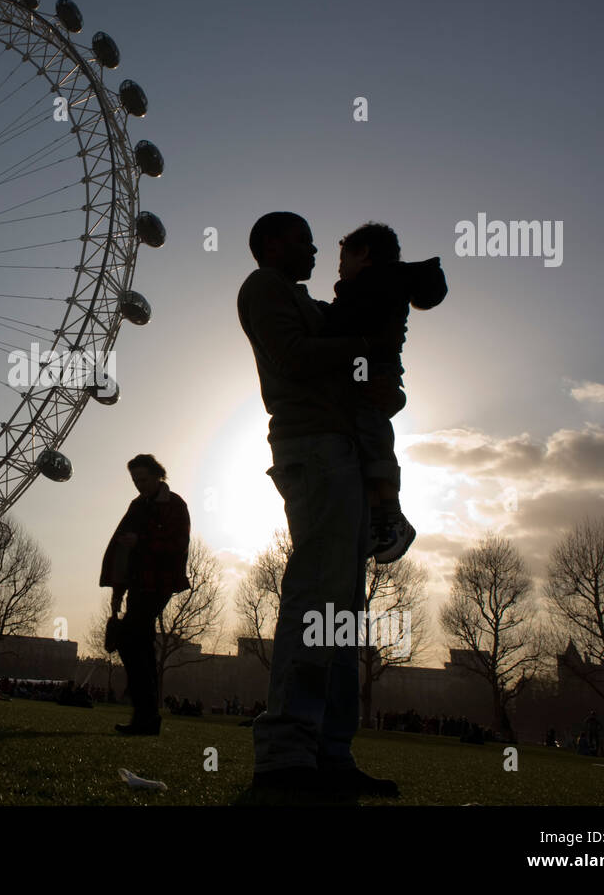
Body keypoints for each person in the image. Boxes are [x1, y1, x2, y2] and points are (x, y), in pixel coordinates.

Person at [238, 211, 403, 801]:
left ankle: (330, 753)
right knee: (316, 593)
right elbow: (295, 357)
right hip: (313, 448)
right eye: (306, 242)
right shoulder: (264, 289)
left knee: (341, 608)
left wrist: (385, 384)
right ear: (275, 245)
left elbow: (347, 368)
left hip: (341, 450)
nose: (315, 252)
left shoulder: (309, 302)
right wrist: (365, 346)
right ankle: (285, 757)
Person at [321, 223, 447, 561]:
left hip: (372, 372)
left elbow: (348, 323)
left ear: (363, 254)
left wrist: (320, 313)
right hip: (369, 374)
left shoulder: (375, 284)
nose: (339, 267)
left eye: (342, 259)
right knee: (366, 440)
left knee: (372, 436)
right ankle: (381, 519)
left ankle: (391, 515)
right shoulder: (377, 285)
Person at [99, 453, 191, 736]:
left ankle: (146, 712)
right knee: (140, 644)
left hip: (158, 583)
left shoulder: (175, 505)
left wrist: (140, 542)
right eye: (135, 480)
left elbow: (177, 545)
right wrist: (118, 591)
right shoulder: (138, 506)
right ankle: (147, 713)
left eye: (143, 479)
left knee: (131, 640)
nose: (139, 485)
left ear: (157, 475)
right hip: (138, 583)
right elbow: (124, 553)